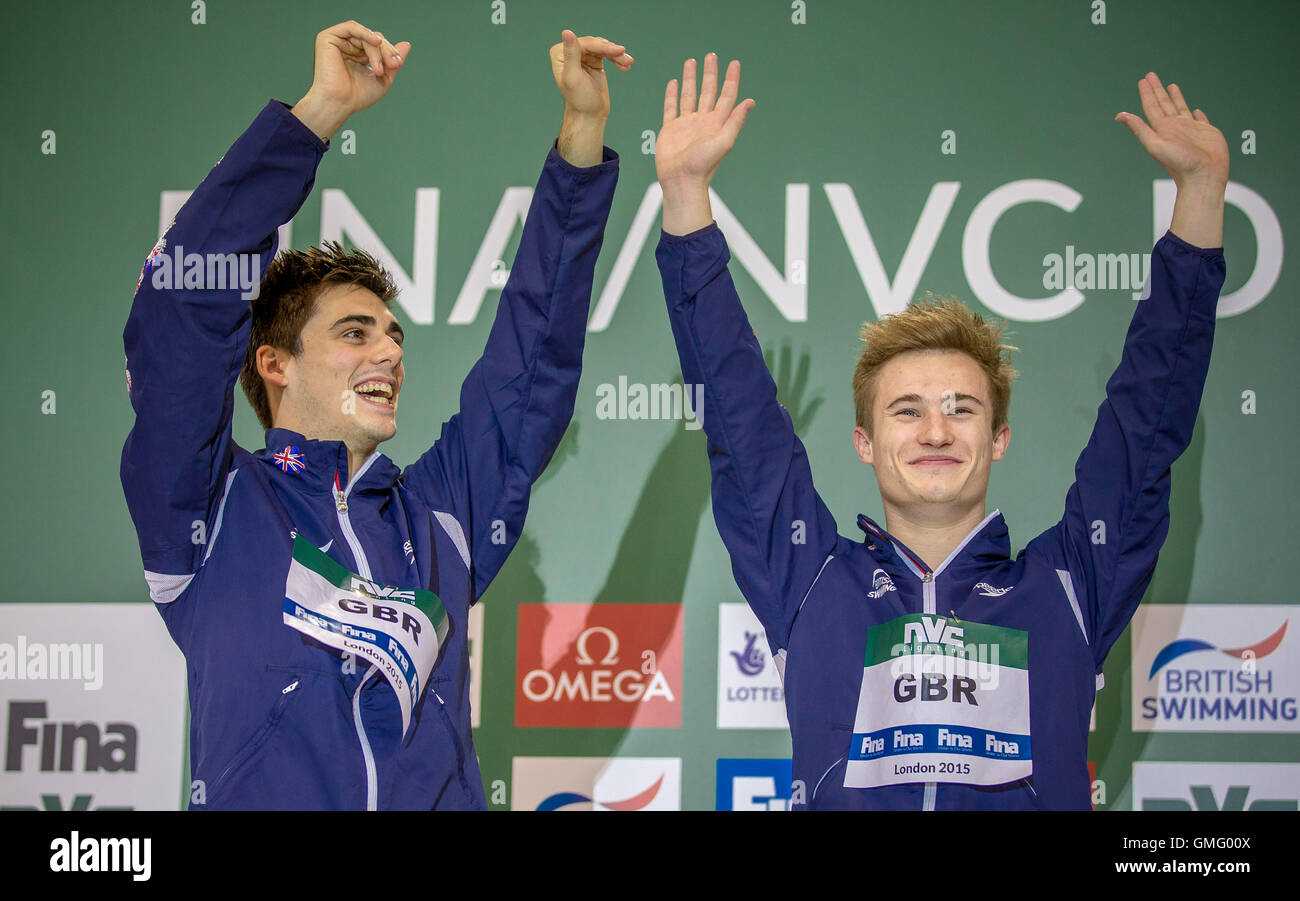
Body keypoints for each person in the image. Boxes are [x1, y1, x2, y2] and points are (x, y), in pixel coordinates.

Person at [653, 56, 1227, 809]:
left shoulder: (1070, 585)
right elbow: (739, 420)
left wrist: (1203, 194)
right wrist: (686, 196)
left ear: (999, 439)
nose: (935, 428)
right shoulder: (811, 580)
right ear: (863, 443)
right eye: (906, 409)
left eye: (962, 408)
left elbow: (1147, 423)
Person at [120, 22, 630, 810]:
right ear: (274, 363)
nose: (389, 353)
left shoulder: (440, 517)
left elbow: (529, 365)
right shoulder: (210, 506)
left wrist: (583, 138)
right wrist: (318, 112)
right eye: (355, 333)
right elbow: (178, 321)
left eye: (394, 336)